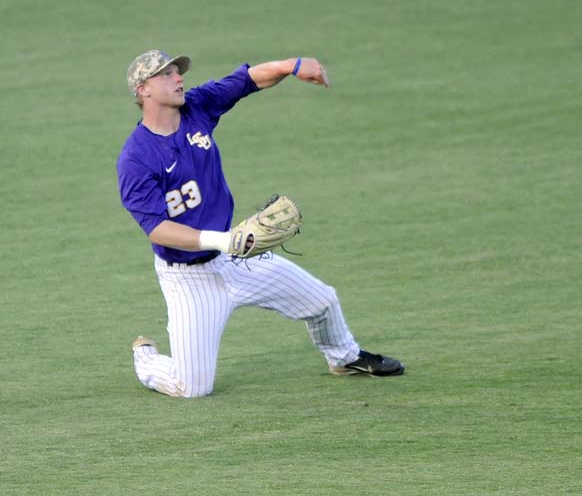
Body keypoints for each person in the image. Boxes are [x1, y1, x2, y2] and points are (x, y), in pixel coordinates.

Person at [117, 50, 404, 398]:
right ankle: (146, 359)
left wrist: (293, 66)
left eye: (178, 72)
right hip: (188, 278)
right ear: (143, 89)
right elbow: (157, 229)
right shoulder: (136, 158)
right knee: (191, 387)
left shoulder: (197, 106)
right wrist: (220, 240)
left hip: (238, 255)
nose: (179, 78)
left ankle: (344, 357)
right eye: (167, 75)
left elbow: (248, 80)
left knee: (322, 301)